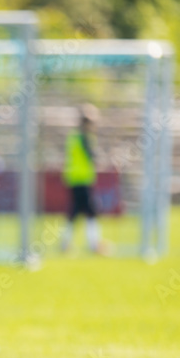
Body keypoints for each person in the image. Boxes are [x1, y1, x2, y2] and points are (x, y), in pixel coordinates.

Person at [61, 103, 106, 254]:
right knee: (90, 211)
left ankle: (65, 243)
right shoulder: (84, 138)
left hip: (73, 178)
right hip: (82, 179)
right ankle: (94, 244)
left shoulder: (72, 137)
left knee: (75, 211)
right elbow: (92, 156)